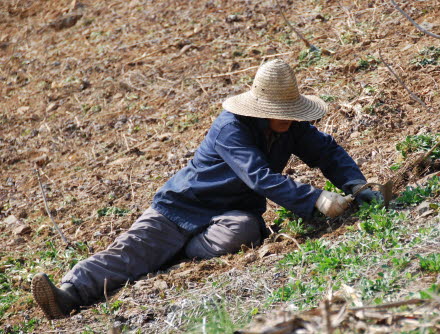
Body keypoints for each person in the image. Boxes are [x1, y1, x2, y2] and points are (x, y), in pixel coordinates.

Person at [31, 59, 380, 319]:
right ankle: (69, 294)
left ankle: (178, 253)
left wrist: (354, 184)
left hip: (231, 214)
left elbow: (327, 151)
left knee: (244, 230)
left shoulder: (292, 127)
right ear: (261, 108)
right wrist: (315, 198)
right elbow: (258, 175)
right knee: (132, 250)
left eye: (291, 111)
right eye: (281, 111)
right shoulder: (232, 127)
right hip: (182, 206)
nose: (288, 117)